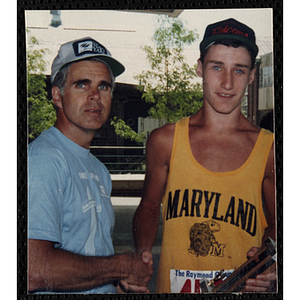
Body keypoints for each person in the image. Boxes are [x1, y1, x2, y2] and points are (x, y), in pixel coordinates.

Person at [133, 18, 276, 293]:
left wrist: (270, 261)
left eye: (239, 70)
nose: (227, 82)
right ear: (200, 68)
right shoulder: (165, 140)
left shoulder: (269, 148)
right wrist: (142, 252)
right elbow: (149, 206)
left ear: (252, 75)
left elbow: (279, 225)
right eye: (217, 67)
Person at [28, 37, 153, 294]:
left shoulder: (98, 170)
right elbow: (33, 269)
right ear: (57, 95)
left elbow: (89, 254)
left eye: (104, 86)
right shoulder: (44, 160)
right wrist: (120, 266)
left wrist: (120, 285)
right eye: (82, 84)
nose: (95, 95)